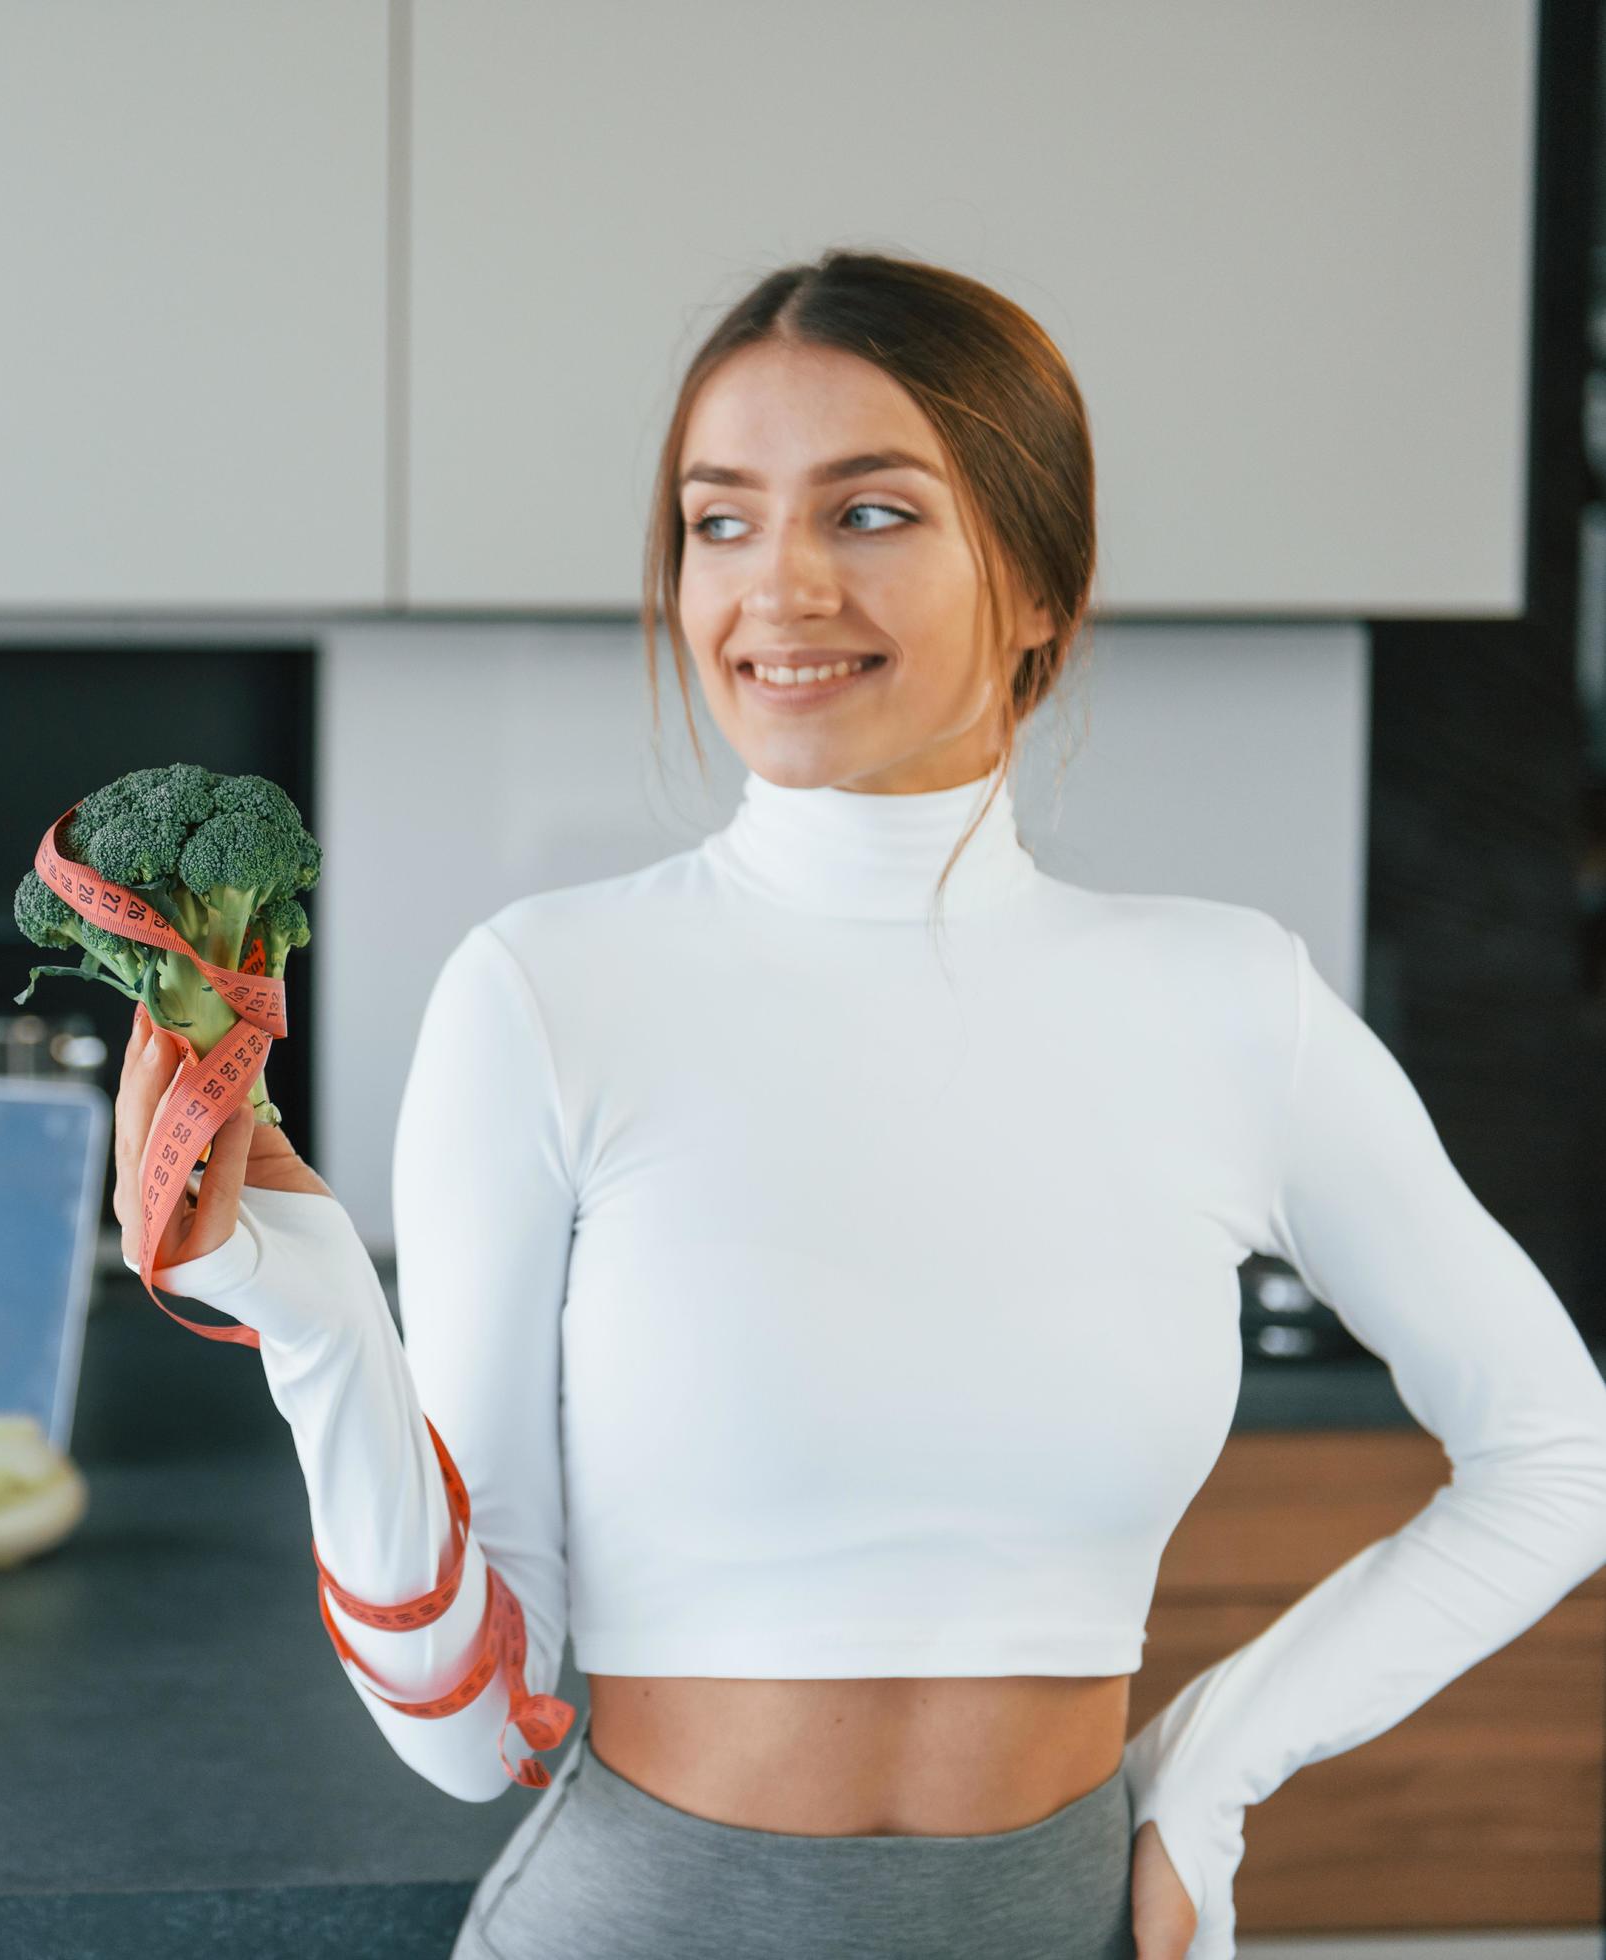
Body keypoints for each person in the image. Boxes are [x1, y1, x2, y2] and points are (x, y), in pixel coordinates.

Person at [111, 248, 1606, 1960]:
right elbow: (473, 1732)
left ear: (1042, 580)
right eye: (721, 521)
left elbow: (1562, 1457)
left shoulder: (1229, 1003)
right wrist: (310, 1320)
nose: (781, 587)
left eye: (872, 513)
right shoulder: (544, 991)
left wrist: (1213, 1767)